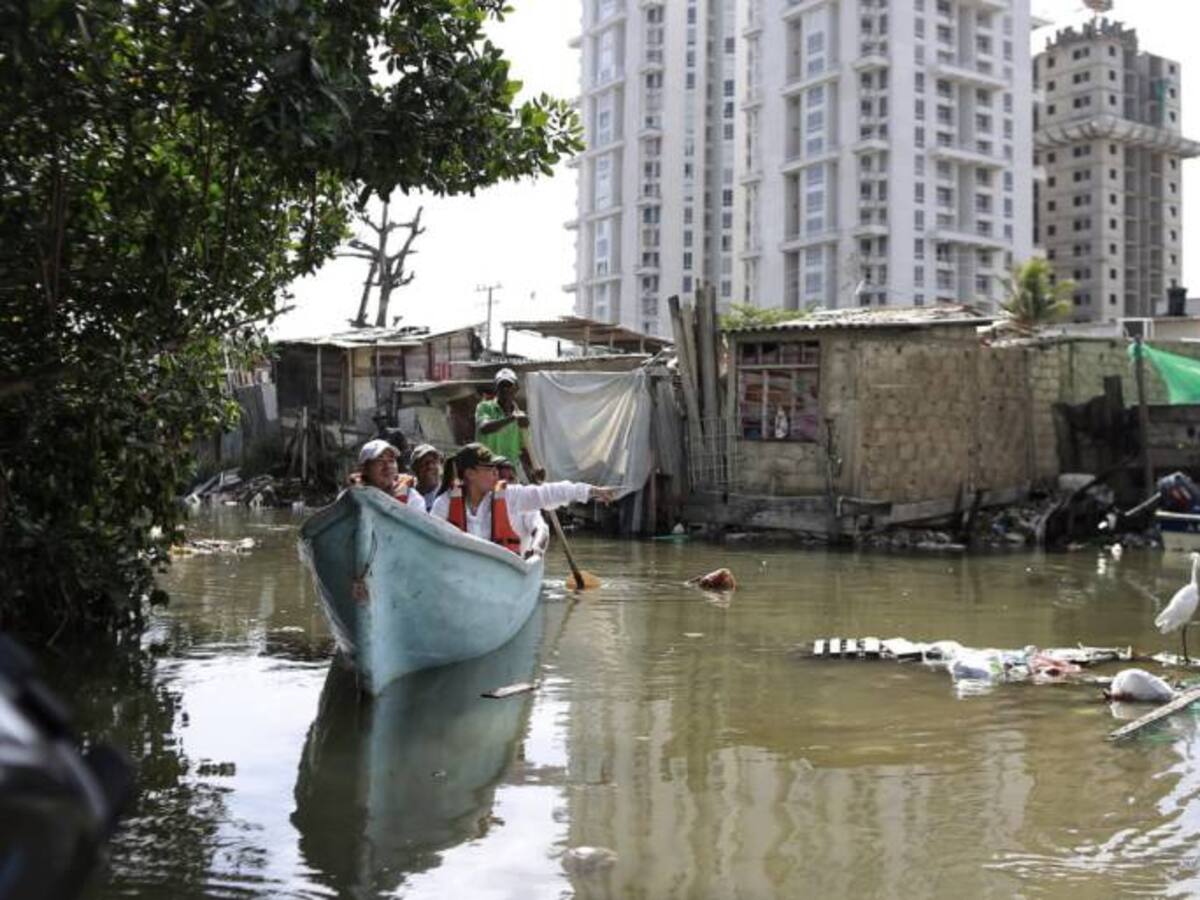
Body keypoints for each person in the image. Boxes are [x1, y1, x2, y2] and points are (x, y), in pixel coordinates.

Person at [431, 443, 614, 558]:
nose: (496, 473)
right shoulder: (444, 504)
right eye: (489, 468)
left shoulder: (509, 495)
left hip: (501, 574)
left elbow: (548, 493)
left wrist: (591, 491)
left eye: (496, 468)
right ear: (470, 474)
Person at [475, 368, 544, 482]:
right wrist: (512, 418)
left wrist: (533, 473)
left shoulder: (520, 417)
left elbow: (523, 451)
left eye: (509, 385)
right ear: (496, 388)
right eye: (502, 385)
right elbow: (484, 428)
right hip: (487, 471)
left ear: (516, 389)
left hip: (509, 475)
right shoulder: (484, 407)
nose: (505, 389)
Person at [350, 439, 424, 508]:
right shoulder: (351, 500)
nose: (388, 466)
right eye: (380, 461)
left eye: (391, 460)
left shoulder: (411, 498)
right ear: (364, 469)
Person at [409, 443, 443, 513]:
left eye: (434, 462)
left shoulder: (448, 496)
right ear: (415, 469)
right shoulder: (408, 494)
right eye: (425, 463)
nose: (430, 466)